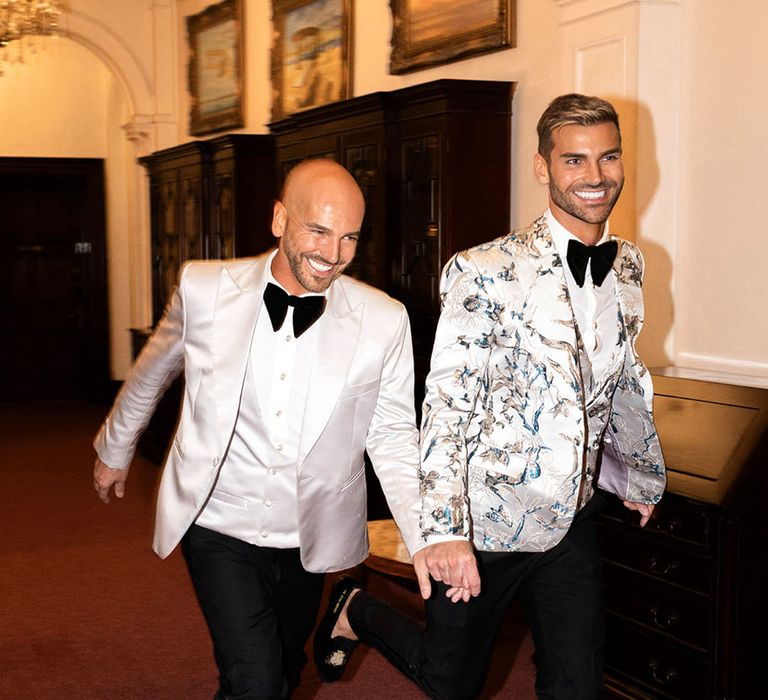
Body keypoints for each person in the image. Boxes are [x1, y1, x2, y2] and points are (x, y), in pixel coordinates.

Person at [314, 94, 667, 700]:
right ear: (542, 168)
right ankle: (358, 608)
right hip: (485, 522)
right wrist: (444, 531)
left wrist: (638, 472)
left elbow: (624, 375)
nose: (595, 176)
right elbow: (447, 407)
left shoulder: (630, 266)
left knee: (577, 684)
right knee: (449, 680)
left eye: (607, 157)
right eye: (574, 160)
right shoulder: (484, 271)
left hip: (569, 518)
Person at [92, 158, 423, 700]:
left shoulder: (383, 319)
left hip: (308, 532)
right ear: (279, 219)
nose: (332, 253)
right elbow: (152, 373)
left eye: (349, 238)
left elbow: (392, 438)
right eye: (317, 229)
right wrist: (116, 448)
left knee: (283, 671)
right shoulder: (204, 289)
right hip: (216, 520)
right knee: (258, 681)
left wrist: (423, 536)